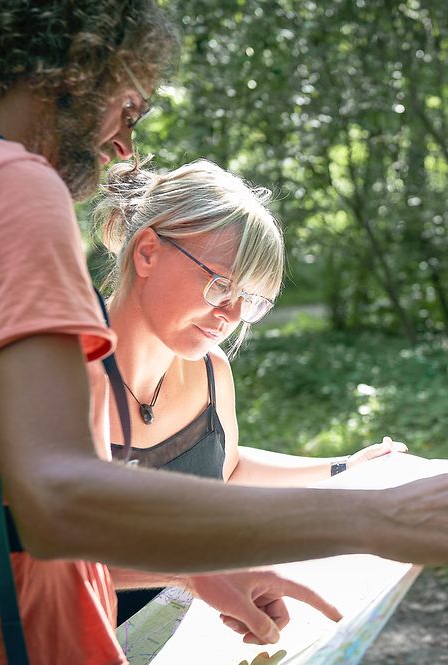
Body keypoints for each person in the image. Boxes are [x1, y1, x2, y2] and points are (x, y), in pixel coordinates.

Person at [0, 2, 448, 663]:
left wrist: (198, 569)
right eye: (128, 108)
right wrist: (377, 518)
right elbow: (60, 499)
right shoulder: (5, 184)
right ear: (78, 65)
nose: (122, 147)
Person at [91, 157, 408, 623]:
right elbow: (40, 554)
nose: (232, 315)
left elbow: (226, 467)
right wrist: (197, 573)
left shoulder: (210, 373)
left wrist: (344, 467)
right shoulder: (61, 376)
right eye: (220, 285)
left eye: (251, 299)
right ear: (147, 252)